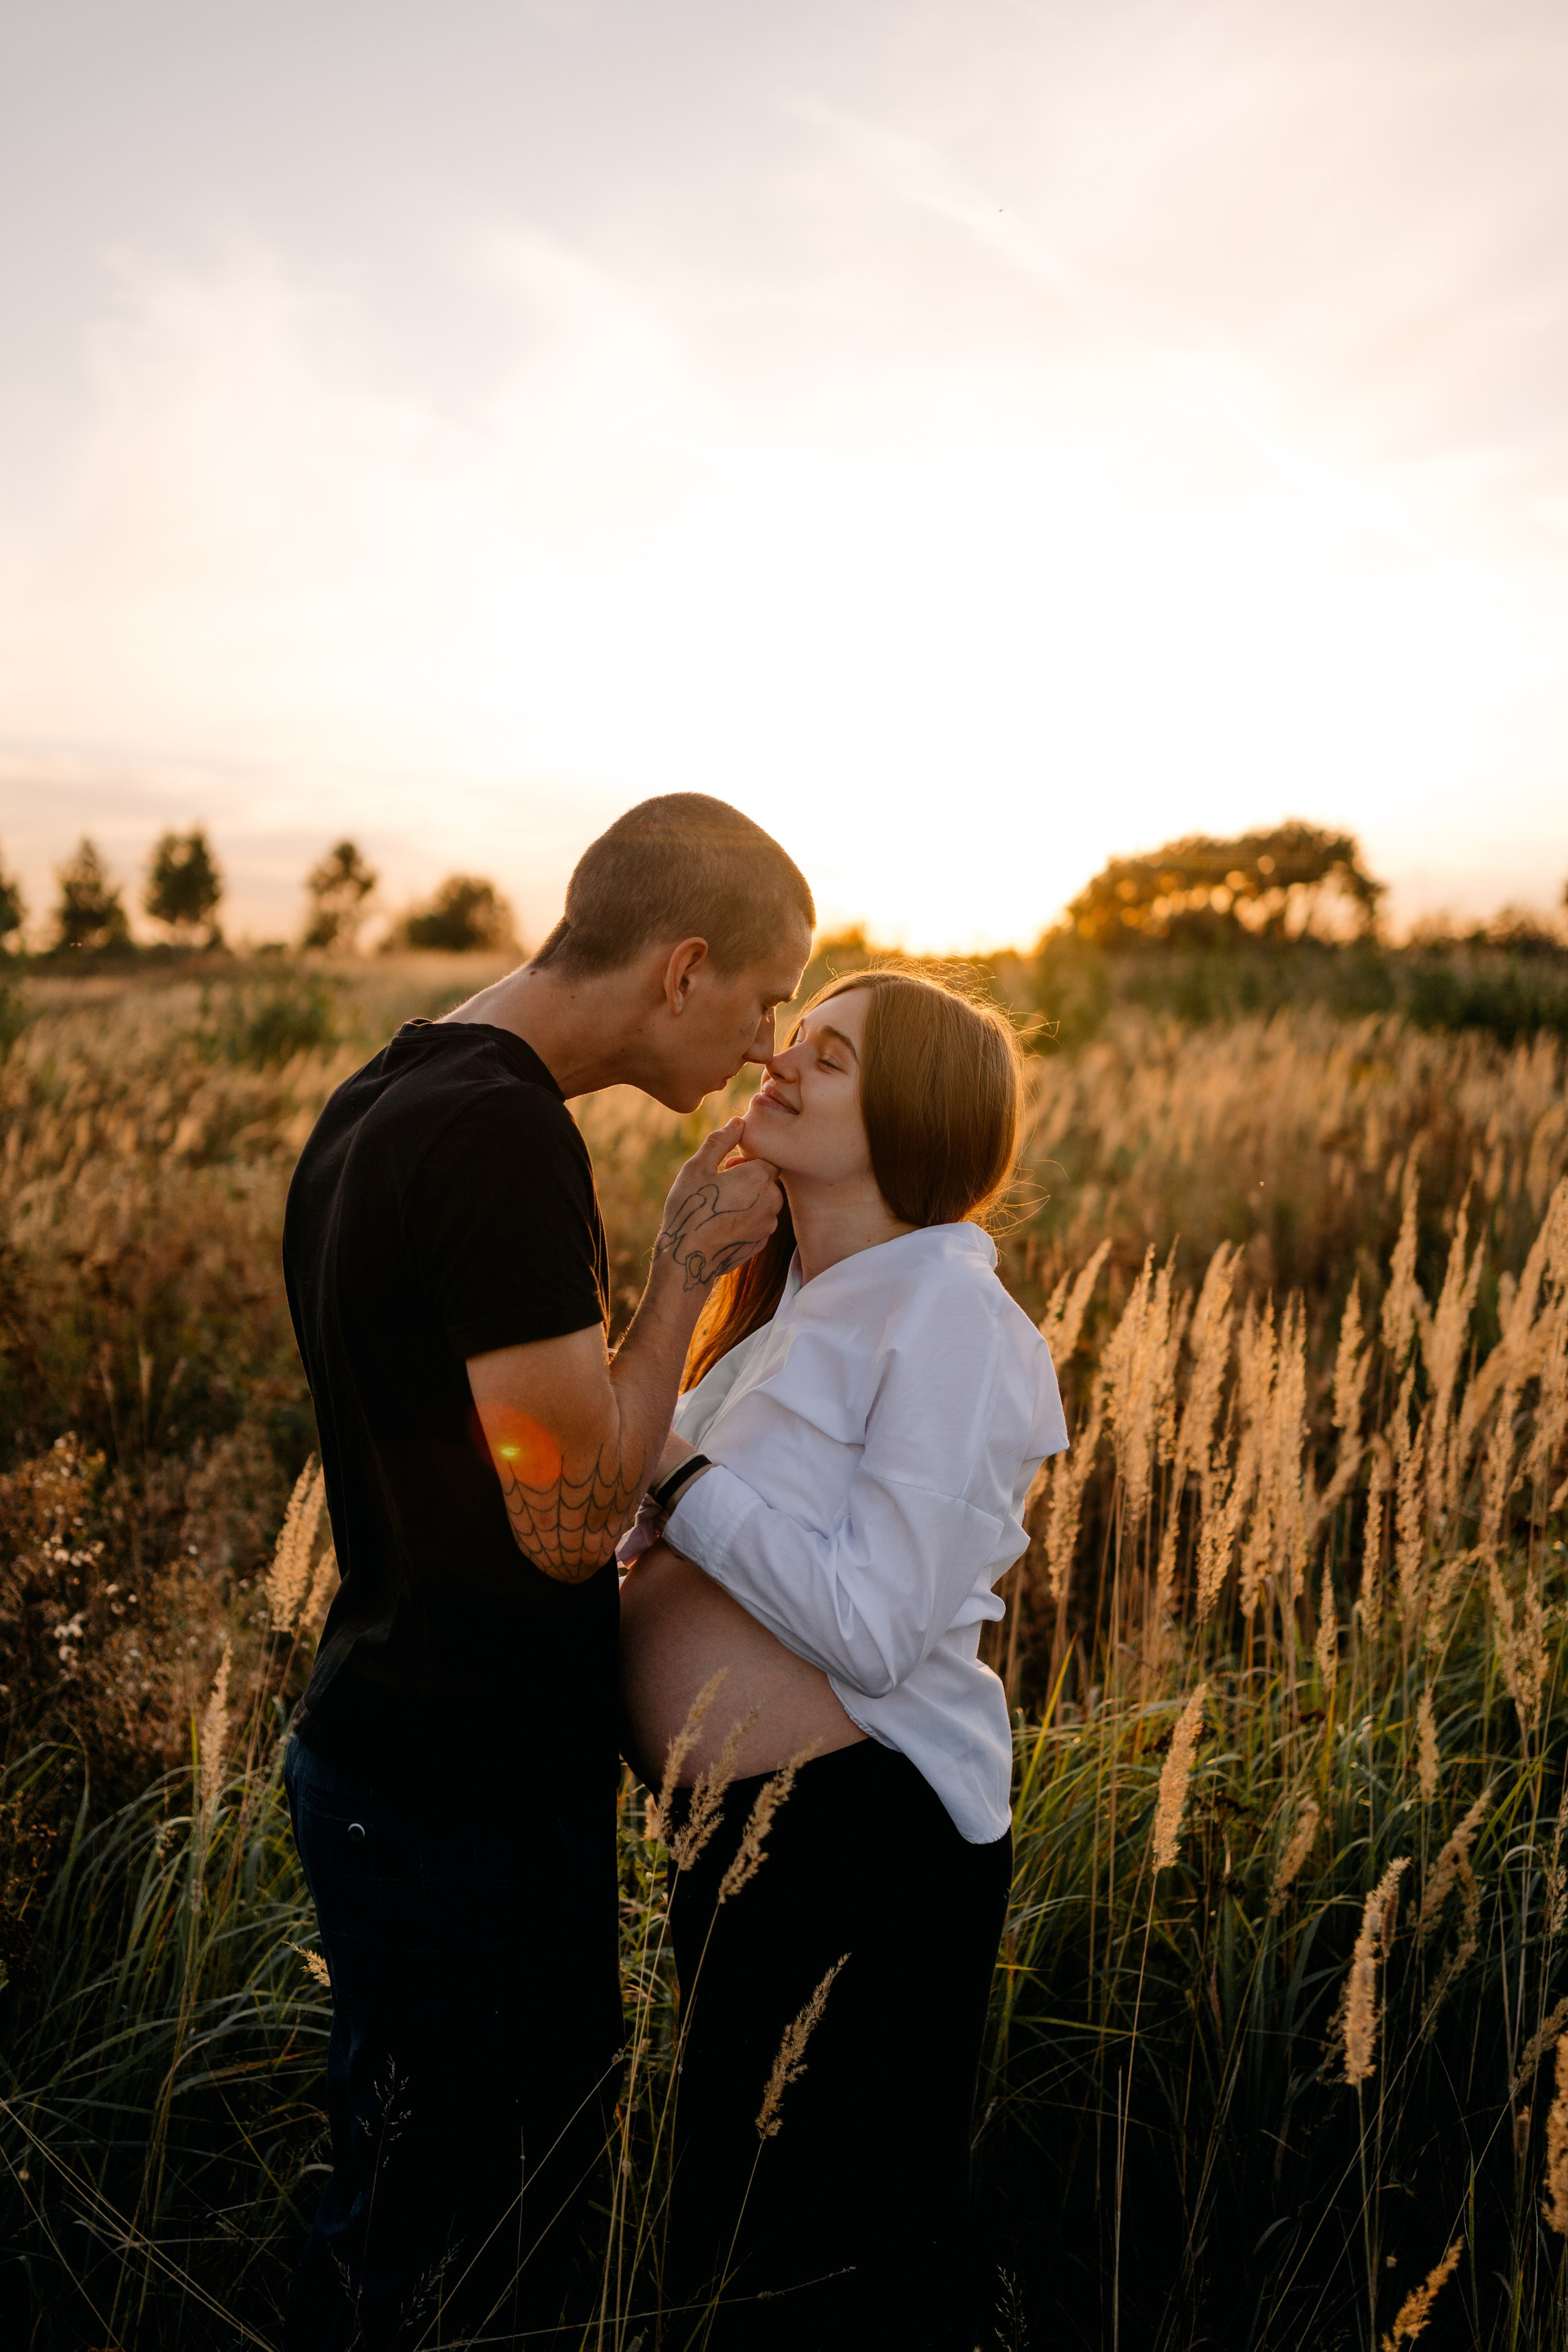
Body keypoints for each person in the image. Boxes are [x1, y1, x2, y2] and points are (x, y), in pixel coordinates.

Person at [279, 793, 813, 2348]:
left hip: (393, 1752)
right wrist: (683, 1273)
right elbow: (572, 1517)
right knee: (472, 2250)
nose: (766, 1046)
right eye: (763, 1000)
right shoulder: (503, 1140)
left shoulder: (386, 1085)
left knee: (399, 2208)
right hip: (463, 1802)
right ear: (682, 965)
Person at [619, 968, 1068, 2351]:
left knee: (829, 2265)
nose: (782, 1061)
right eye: (794, 1038)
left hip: (860, 1846)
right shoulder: (793, 1308)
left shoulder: (942, 1313)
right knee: (748, 2239)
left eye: (831, 1056)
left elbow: (873, 1627)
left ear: (913, 1115)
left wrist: (678, 1478)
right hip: (751, 1845)